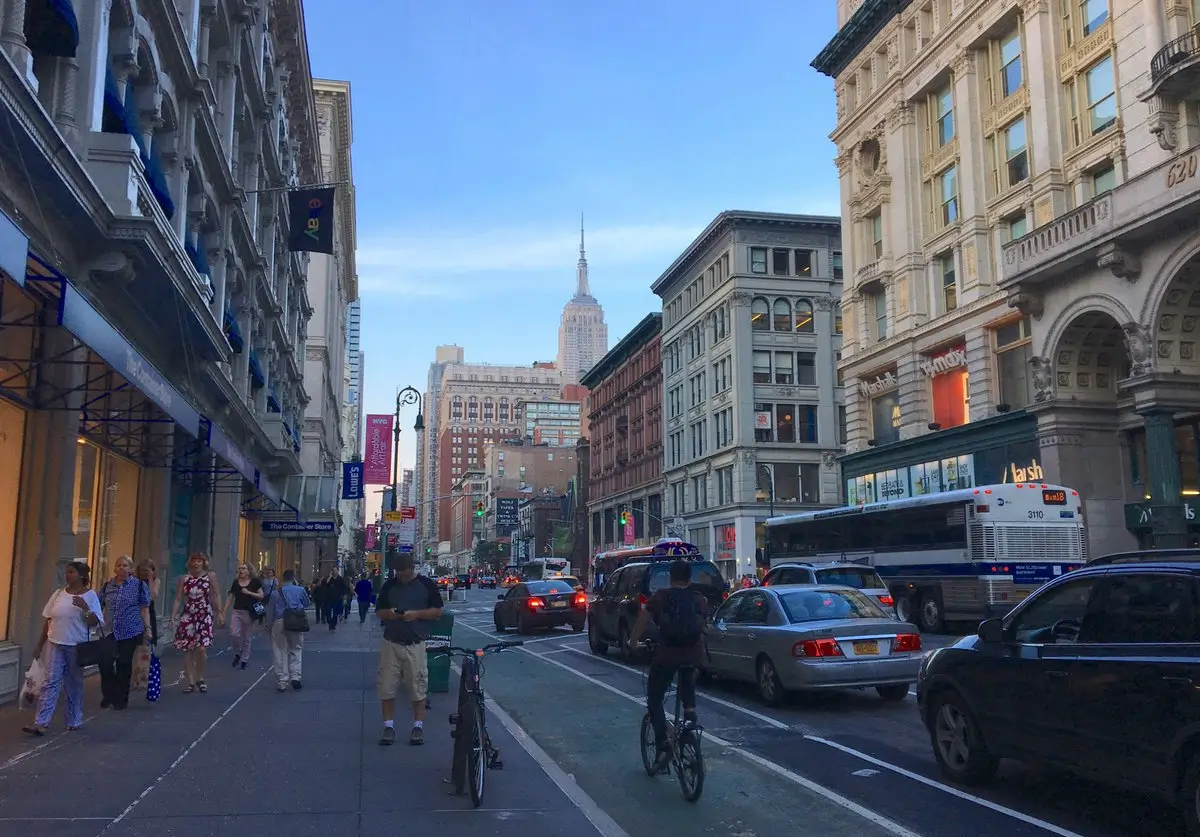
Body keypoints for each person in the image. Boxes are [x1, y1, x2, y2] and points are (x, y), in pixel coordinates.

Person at [630, 559, 709, 772]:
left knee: (655, 697)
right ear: (689, 578)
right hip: (692, 654)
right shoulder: (699, 599)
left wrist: (633, 642)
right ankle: (690, 712)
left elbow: (642, 621)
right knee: (687, 675)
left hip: (667, 655)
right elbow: (704, 627)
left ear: (670, 577)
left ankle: (663, 742)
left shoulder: (660, 597)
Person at [23, 561, 103, 735]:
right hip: (55, 643)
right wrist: (40, 645)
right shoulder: (58, 594)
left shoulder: (90, 596)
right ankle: (41, 722)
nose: (67, 575)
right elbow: (49, 621)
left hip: (76, 646)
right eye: (67, 572)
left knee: (73, 683)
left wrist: (85, 608)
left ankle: (74, 719)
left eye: (71, 572)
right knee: (50, 682)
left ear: (81, 576)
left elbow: (95, 622)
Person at [374, 554, 443, 746]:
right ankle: (388, 726)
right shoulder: (389, 586)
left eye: (405, 574)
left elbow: (438, 611)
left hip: (415, 643)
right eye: (399, 574)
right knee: (386, 686)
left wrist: (416, 614)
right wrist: (390, 614)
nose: (402, 578)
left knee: (417, 687)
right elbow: (379, 612)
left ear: (412, 570)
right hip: (391, 642)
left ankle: (418, 726)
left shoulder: (426, 585)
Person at [98, 556, 153, 711]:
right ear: (115, 568)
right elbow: (98, 605)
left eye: (125, 565)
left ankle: (120, 700)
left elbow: (144, 608)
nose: (121, 568)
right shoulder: (107, 586)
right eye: (118, 565)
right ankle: (108, 694)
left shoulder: (138, 585)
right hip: (108, 630)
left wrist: (148, 628)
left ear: (131, 569)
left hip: (130, 630)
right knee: (105, 663)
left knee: (123, 664)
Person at [171, 552, 222, 693]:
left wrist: (219, 612)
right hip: (188, 615)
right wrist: (173, 616)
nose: (197, 563)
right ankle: (191, 682)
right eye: (194, 560)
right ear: (190, 562)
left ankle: (200, 677)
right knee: (188, 649)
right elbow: (178, 598)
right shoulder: (184, 578)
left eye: (200, 560)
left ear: (204, 563)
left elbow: (216, 594)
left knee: (201, 648)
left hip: (204, 614)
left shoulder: (210, 577)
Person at [268, 569, 311, 692]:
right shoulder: (300, 590)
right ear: (293, 578)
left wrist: (269, 626)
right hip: (295, 621)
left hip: (279, 621)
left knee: (279, 650)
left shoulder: (275, 593)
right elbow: (307, 603)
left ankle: (282, 680)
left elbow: (270, 612)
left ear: (282, 579)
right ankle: (295, 676)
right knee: (296, 648)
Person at [222, 564, 265, 670]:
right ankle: (238, 652)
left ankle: (244, 660)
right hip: (237, 611)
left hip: (249, 613)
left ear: (249, 571)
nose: (241, 570)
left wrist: (249, 593)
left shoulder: (255, 582)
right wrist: (224, 610)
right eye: (239, 568)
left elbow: (261, 596)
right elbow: (230, 597)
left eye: (243, 568)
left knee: (246, 638)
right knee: (234, 633)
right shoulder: (236, 582)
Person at [131, 560, 160, 696]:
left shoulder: (155, 581)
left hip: (149, 615)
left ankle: (144, 678)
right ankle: (135, 678)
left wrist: (150, 579)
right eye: (142, 570)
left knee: (146, 648)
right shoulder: (133, 582)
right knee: (136, 649)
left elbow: (153, 596)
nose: (144, 573)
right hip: (135, 615)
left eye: (147, 570)